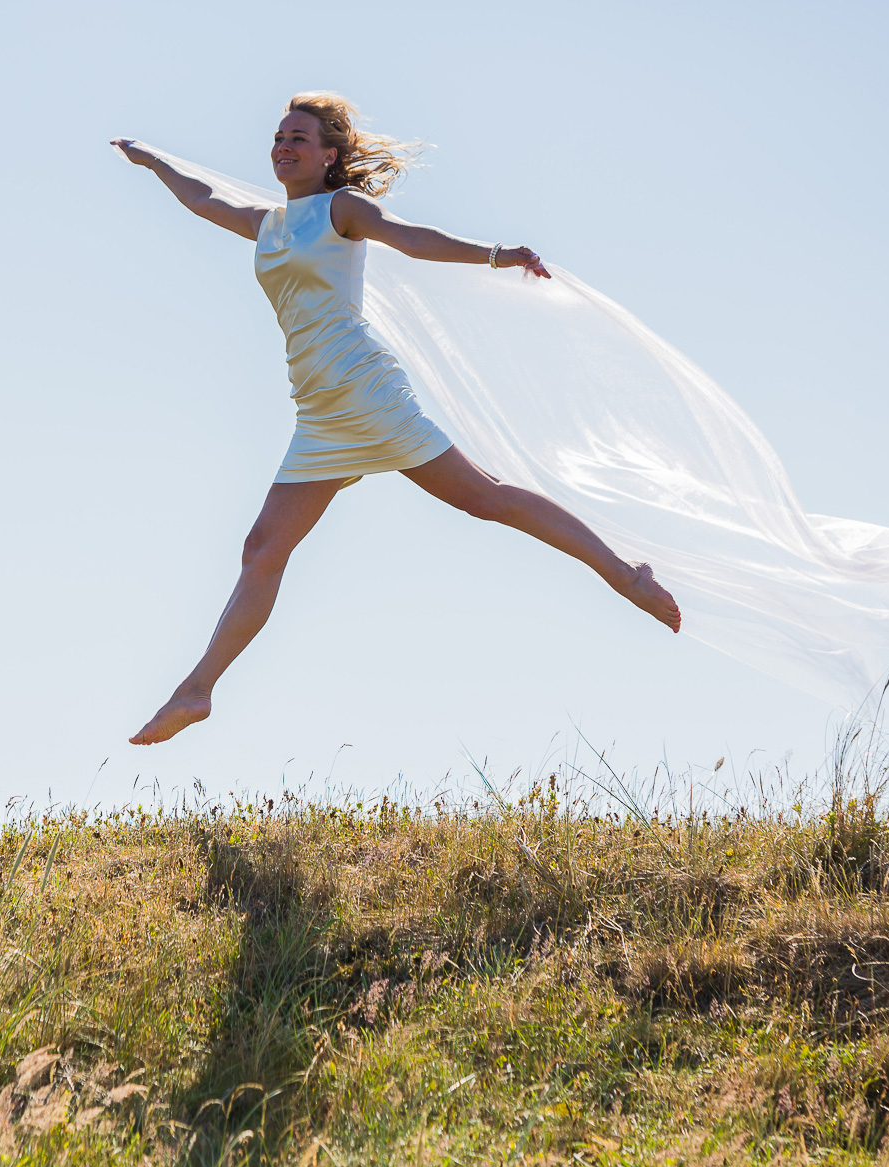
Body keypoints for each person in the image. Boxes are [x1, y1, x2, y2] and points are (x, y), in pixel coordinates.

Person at [113, 93, 681, 746]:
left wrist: (496, 254)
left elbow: (413, 239)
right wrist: (151, 159)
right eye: (277, 136)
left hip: (362, 392)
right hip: (319, 412)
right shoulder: (266, 224)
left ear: (329, 156)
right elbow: (200, 198)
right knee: (262, 550)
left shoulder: (342, 210)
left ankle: (624, 576)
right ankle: (197, 692)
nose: (283, 145)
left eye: (298, 137)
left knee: (484, 499)